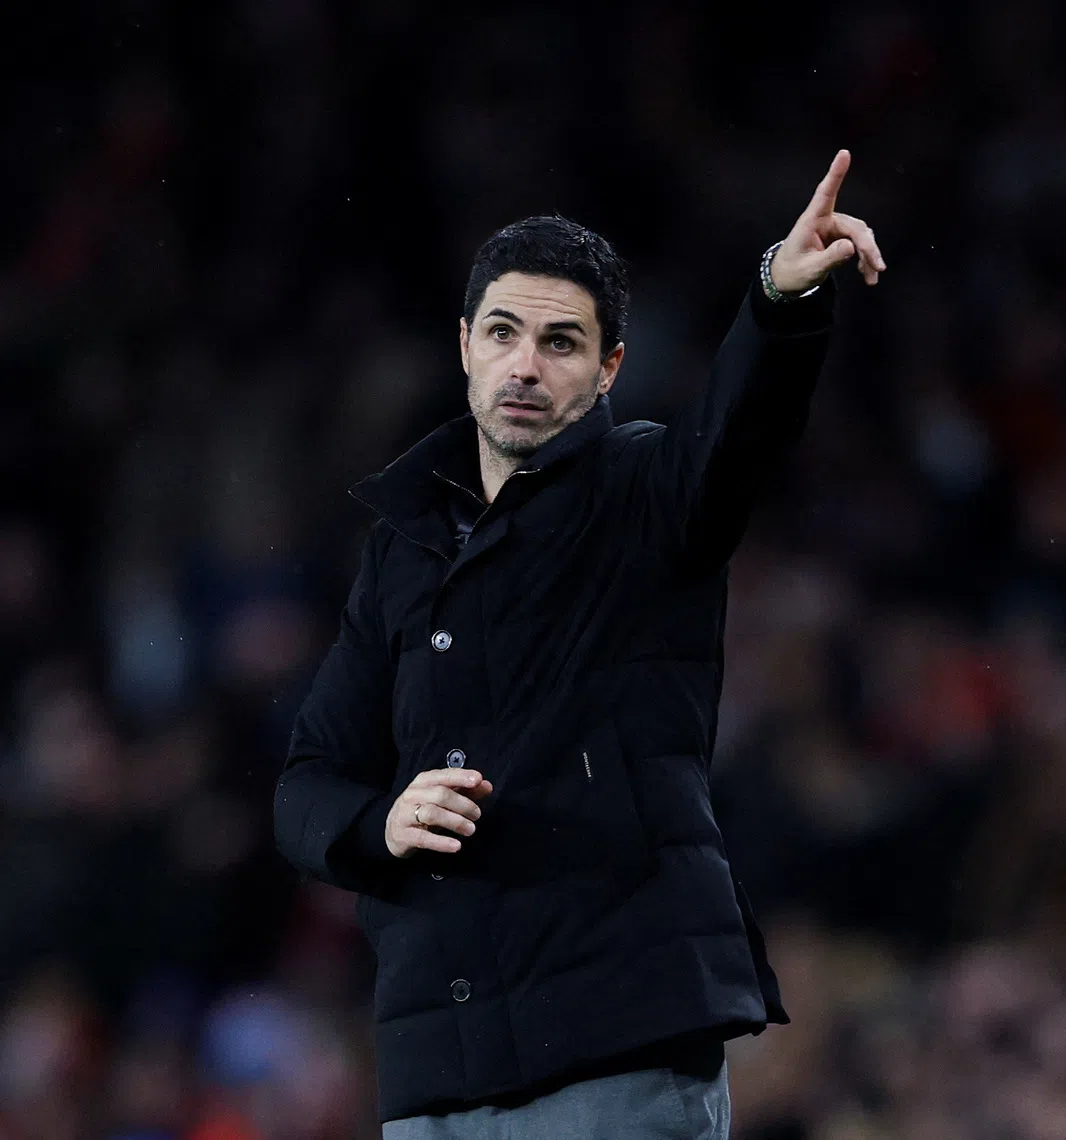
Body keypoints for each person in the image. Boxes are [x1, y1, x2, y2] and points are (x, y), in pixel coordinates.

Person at [273, 148, 885, 1138]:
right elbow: (307, 784)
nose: (525, 365)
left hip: (616, 1049)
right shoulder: (402, 550)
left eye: (561, 342)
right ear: (464, 346)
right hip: (438, 1079)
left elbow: (740, 433)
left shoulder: (646, 490)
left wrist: (778, 298)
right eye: (503, 333)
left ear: (609, 370)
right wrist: (382, 822)